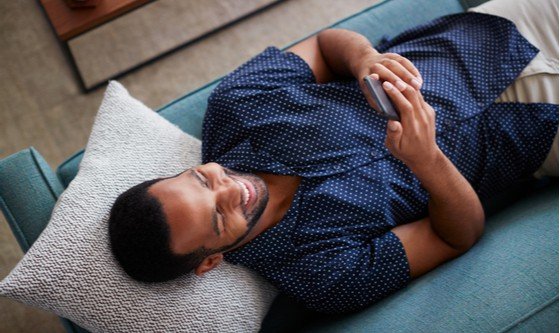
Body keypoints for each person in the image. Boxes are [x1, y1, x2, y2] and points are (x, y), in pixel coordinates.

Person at [107, 0, 558, 314]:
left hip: (498, 33)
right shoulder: (322, 276)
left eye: (203, 181)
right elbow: (458, 237)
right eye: (218, 219)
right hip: (536, 136)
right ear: (210, 262)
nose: (230, 188)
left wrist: (363, 59)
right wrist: (428, 161)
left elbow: (325, 45)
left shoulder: (237, 105)